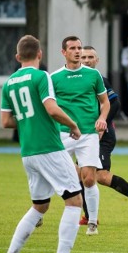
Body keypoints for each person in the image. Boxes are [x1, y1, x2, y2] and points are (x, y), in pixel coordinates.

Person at [0, 35, 85, 253]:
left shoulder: (9, 83)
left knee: (40, 205)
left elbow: (6, 121)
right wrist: (72, 125)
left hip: (28, 152)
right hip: (49, 148)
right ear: (40, 54)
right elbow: (52, 108)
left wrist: (29, 121)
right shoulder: (41, 76)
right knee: (74, 200)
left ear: (18, 57)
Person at [80, 46, 128, 222]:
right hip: (87, 135)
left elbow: (115, 104)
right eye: (84, 57)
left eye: (91, 57)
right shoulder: (79, 80)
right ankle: (89, 216)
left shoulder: (100, 80)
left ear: (97, 61)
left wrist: (102, 125)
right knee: (82, 174)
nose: (87, 60)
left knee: (101, 176)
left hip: (102, 135)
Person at [51, 36, 109, 236]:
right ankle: (39, 210)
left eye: (79, 47)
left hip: (88, 134)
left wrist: (102, 118)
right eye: (73, 48)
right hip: (63, 133)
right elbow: (49, 107)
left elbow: (105, 102)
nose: (77, 51)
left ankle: (92, 222)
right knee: (52, 172)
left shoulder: (93, 75)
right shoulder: (54, 78)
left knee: (90, 179)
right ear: (63, 52)